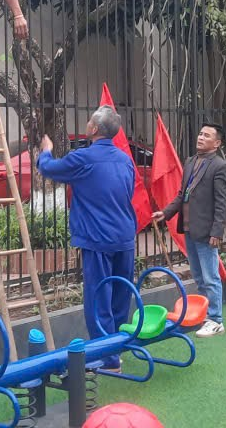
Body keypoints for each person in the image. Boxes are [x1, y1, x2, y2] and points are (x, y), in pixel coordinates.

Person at [36, 106, 137, 372]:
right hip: (125, 235)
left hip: (97, 237)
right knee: (120, 296)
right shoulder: (125, 159)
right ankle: (115, 349)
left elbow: (49, 168)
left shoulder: (84, 157)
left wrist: (45, 151)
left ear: (93, 129)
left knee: (98, 297)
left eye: (90, 120)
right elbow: (128, 191)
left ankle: (108, 359)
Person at [151, 123, 226, 337]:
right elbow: (182, 195)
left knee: (210, 277)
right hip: (189, 228)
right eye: (201, 133)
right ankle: (205, 315)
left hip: (206, 231)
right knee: (199, 276)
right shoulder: (190, 162)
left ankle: (216, 320)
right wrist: (165, 213)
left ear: (217, 143)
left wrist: (217, 232)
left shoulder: (219, 166)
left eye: (207, 135)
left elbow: (222, 202)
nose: (201, 137)